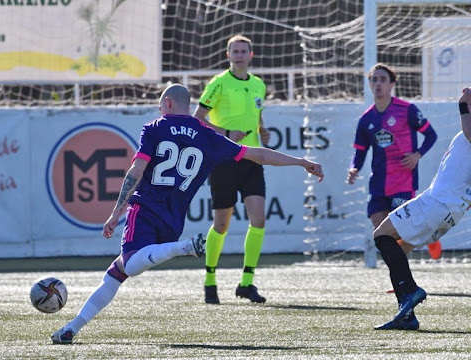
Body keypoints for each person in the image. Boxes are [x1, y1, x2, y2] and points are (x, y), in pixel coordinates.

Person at [51, 84, 324, 344]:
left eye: (160, 104)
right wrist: (300, 161)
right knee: (117, 272)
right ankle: (72, 328)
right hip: (174, 219)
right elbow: (258, 155)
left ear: (167, 103)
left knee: (131, 263)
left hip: (145, 209)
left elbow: (136, 171)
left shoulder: (155, 128)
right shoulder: (208, 135)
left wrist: (115, 212)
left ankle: (182, 248)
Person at [372, 87, 471, 331]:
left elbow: (469, 130)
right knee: (400, 246)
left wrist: (463, 105)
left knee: (381, 235)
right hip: (450, 210)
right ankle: (406, 313)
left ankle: (410, 291)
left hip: (437, 203)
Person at [193, 34, 272, 304]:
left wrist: (263, 130)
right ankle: (210, 280)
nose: (239, 55)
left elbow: (258, 112)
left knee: (258, 219)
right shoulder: (218, 84)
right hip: (224, 160)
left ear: (251, 55)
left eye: (243, 51)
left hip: (251, 159)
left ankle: (247, 282)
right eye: (234, 51)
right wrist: (226, 132)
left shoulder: (259, 84)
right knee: (222, 224)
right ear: (228, 55)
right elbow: (198, 119)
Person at [347, 63, 439, 268]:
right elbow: (360, 151)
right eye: (374, 79)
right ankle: (424, 239)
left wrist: (417, 155)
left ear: (392, 84)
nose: (378, 83)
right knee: (381, 232)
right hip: (378, 182)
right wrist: (354, 168)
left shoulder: (407, 110)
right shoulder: (366, 119)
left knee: (400, 230)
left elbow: (431, 135)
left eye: (383, 79)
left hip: (403, 180)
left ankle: (401, 278)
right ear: (370, 84)